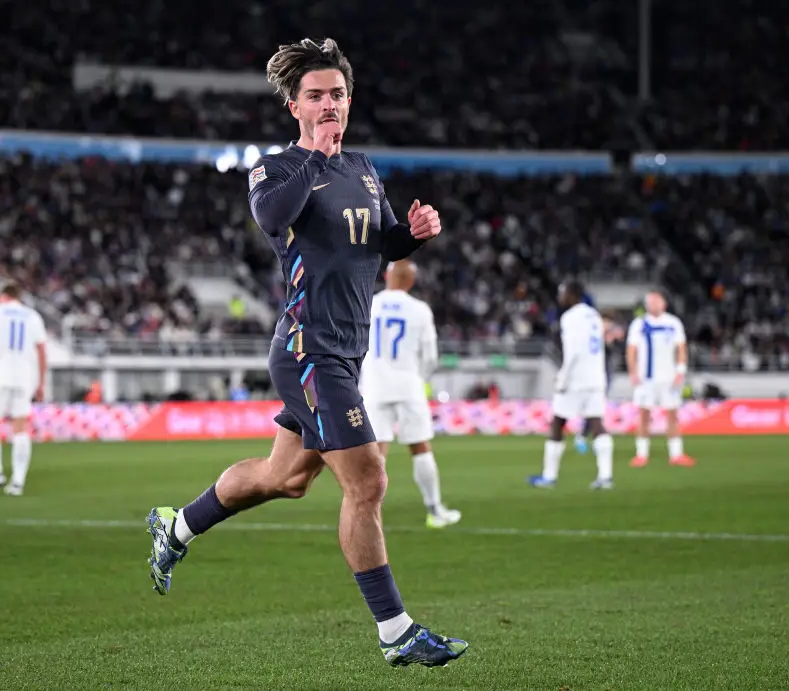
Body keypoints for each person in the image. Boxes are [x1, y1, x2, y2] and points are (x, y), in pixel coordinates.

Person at [145, 38, 467, 668]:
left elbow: (378, 245)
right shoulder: (277, 168)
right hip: (307, 348)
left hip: (348, 351)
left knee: (285, 479)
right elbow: (272, 218)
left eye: (338, 96)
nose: (329, 106)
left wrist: (415, 235)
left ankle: (176, 525)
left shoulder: (365, 169)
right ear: (294, 105)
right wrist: (315, 159)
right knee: (369, 478)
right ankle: (395, 632)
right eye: (316, 97)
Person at [361, 259, 460, 527]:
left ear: (386, 275)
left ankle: (368, 517)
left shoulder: (369, 302)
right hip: (408, 384)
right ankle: (435, 511)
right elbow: (430, 357)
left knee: (376, 454)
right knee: (420, 448)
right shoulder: (419, 309)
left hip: (374, 386)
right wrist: (419, 377)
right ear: (411, 282)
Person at [529, 281, 615, 489]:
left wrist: (563, 378)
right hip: (595, 377)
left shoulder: (570, 317)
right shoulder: (593, 315)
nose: (560, 297)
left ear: (571, 295)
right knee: (596, 423)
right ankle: (605, 476)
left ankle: (549, 477)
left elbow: (573, 351)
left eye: (562, 293)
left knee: (558, 422)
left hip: (576, 379)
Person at [0, 281, 47, 496]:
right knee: (20, 427)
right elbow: (42, 350)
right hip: (25, 377)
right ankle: (17, 482)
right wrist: (41, 383)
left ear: (3, 296)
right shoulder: (33, 316)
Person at [627, 291, 695, 467]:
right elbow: (632, 349)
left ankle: (676, 454)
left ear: (664, 304)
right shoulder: (639, 324)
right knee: (643, 414)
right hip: (645, 377)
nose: (654, 305)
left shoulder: (673, 323)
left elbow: (681, 347)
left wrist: (681, 369)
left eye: (657, 301)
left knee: (672, 414)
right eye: (650, 302)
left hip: (669, 377)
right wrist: (633, 371)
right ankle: (641, 454)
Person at [574, 313, 624, 454]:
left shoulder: (609, 338)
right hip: (592, 375)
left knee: (598, 408)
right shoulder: (591, 337)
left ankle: (592, 438)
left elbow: (617, 350)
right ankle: (585, 437)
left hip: (604, 374)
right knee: (593, 408)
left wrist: (612, 340)